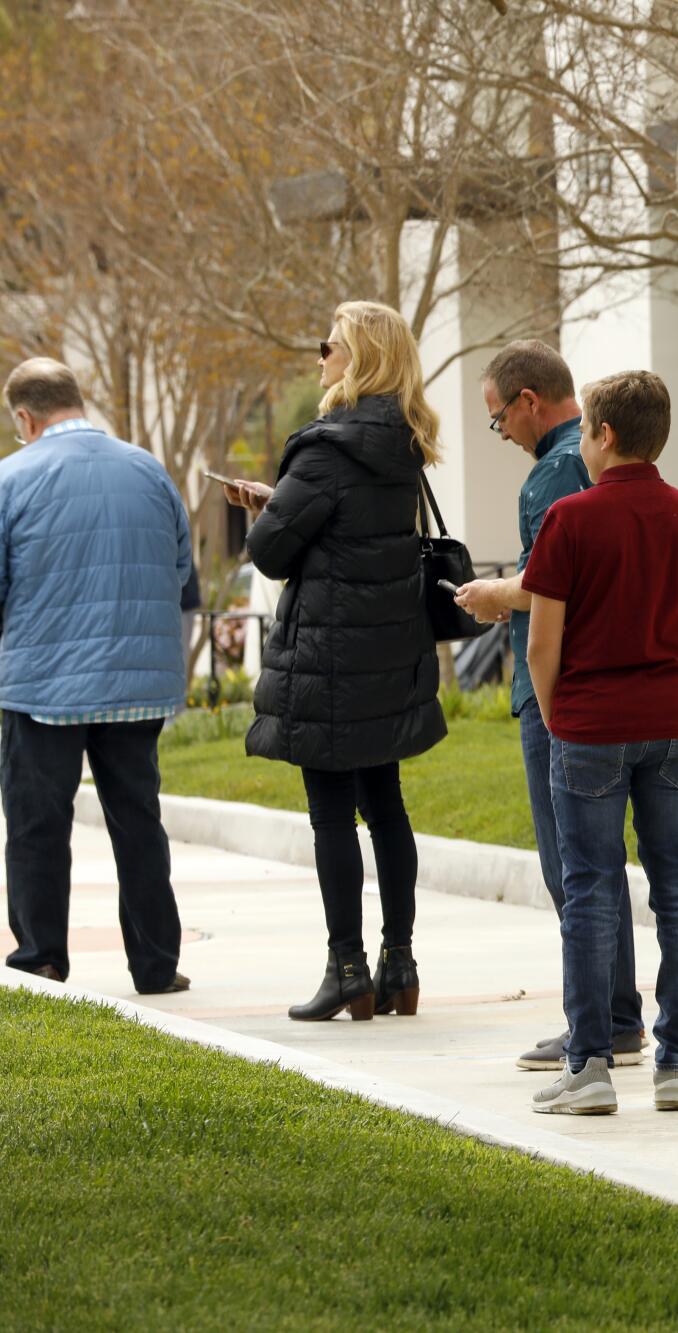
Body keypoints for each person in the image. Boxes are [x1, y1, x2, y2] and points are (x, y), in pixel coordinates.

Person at [229, 301, 448, 1023]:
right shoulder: (403, 441)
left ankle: (346, 967)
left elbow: (271, 551)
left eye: (330, 344)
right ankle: (402, 961)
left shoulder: (325, 447)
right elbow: (352, 525)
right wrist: (283, 502)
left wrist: (261, 510)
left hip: (329, 651)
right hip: (388, 646)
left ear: (357, 358)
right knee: (385, 804)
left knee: (331, 815)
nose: (319, 354)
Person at [522, 370, 678, 1117]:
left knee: (590, 888)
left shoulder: (569, 523)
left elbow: (543, 644)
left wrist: (556, 717)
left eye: (585, 430)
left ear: (605, 433)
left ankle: (590, 1065)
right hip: (676, 721)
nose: (581, 440)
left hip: (588, 724)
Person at [452, 341, 648, 1074]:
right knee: (594, 861)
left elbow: (556, 585)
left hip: (560, 690)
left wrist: (493, 594)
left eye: (499, 418)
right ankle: (616, 1016)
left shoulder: (555, 472)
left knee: (574, 864)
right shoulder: (590, 461)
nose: (501, 433)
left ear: (529, 401)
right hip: (604, 684)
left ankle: (598, 1024)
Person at [0, 357, 192, 994]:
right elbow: (184, 577)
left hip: (42, 686)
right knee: (138, 820)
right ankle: (157, 964)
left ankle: (42, 958)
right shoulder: (150, 470)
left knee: (36, 825)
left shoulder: (11, 478)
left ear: (24, 417)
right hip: (137, 687)